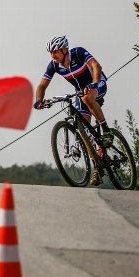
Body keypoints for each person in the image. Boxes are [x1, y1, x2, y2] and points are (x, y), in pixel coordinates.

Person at [33, 35, 111, 186]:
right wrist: (39, 100)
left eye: (55, 51)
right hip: (81, 91)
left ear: (64, 49)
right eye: (50, 52)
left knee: (87, 99)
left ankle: (107, 131)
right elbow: (42, 86)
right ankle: (97, 165)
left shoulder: (78, 53)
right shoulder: (54, 65)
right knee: (84, 131)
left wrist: (95, 83)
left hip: (97, 82)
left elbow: (96, 66)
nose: (52, 55)